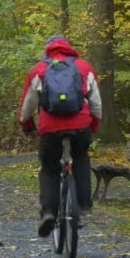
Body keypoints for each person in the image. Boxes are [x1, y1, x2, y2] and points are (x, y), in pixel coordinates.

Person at [17, 35, 102, 237]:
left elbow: (27, 107)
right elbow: (96, 104)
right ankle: (83, 205)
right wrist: (93, 128)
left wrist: (28, 127)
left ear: (48, 49)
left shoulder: (39, 69)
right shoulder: (84, 67)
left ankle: (48, 213)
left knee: (49, 168)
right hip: (81, 126)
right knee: (81, 157)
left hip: (50, 128)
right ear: (68, 48)